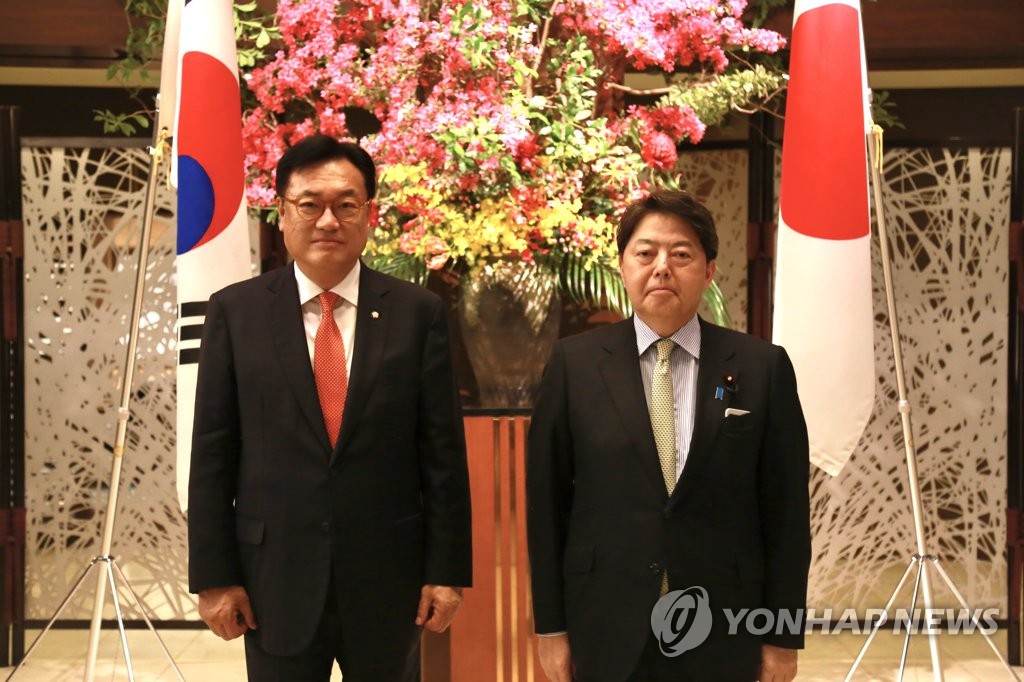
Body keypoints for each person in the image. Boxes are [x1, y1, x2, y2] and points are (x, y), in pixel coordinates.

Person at [187, 134, 472, 682]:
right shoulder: (235, 313)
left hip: (390, 580)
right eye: (309, 205)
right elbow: (212, 455)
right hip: (274, 579)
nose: (327, 221)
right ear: (282, 213)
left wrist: (446, 572)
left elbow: (442, 458)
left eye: (346, 206)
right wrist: (215, 577)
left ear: (369, 215)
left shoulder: (418, 315)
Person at [526, 190, 810, 682]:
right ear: (622, 265)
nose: (662, 268)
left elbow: (786, 514)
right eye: (645, 252)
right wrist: (551, 629)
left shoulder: (762, 368)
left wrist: (782, 635)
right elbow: (546, 507)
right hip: (606, 623)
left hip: (726, 624)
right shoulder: (574, 365)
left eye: (681, 254)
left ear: (709, 270)